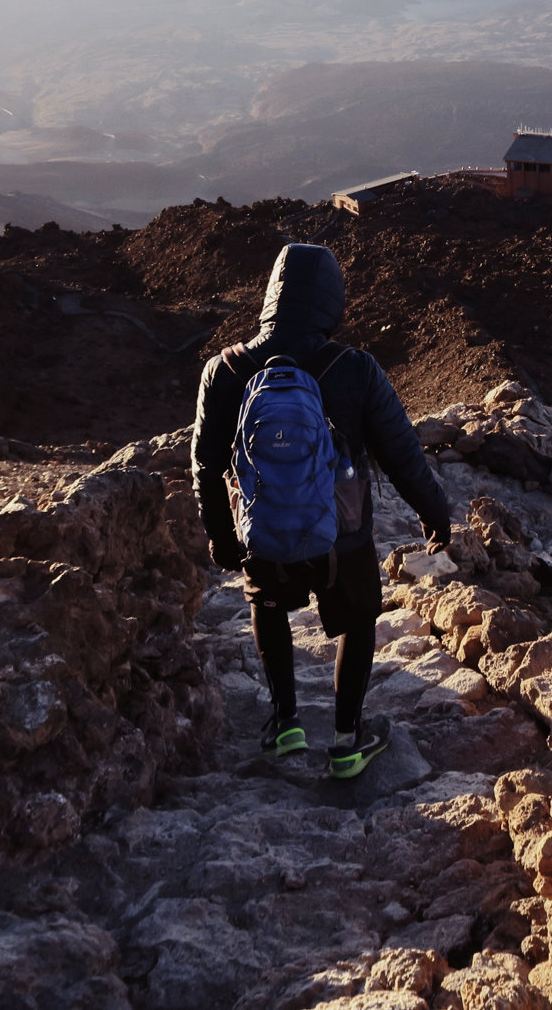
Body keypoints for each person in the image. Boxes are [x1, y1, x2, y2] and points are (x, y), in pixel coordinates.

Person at [193, 242, 453, 780]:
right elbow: (402, 452)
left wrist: (221, 536)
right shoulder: (354, 368)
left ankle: (285, 722)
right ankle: (347, 738)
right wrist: (434, 513)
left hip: (261, 533)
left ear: (271, 296)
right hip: (344, 537)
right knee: (356, 621)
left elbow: (205, 464)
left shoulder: (224, 370)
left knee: (268, 606)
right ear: (331, 301)